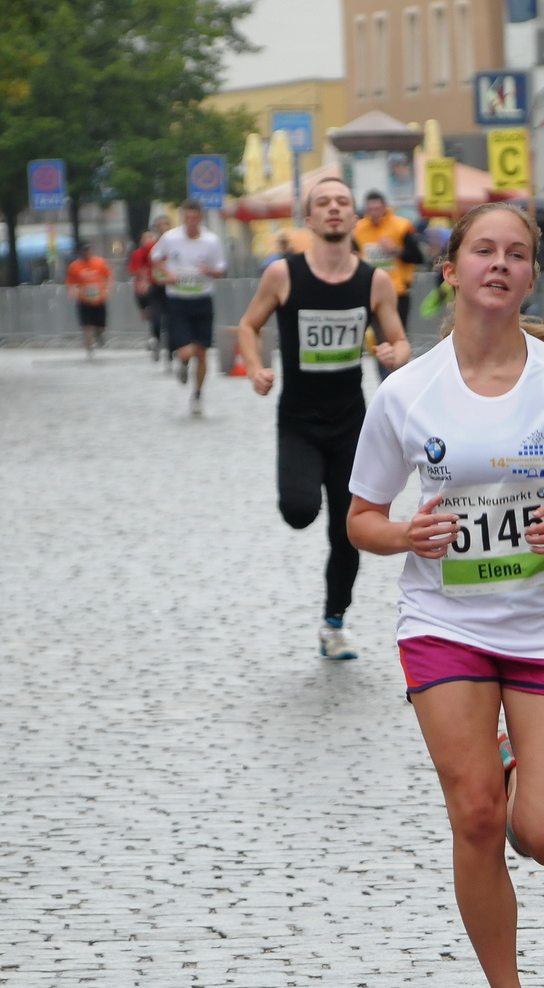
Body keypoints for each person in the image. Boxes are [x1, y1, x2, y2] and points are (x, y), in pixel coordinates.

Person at [344, 201, 544, 988]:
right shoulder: (408, 392)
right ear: (451, 268)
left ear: (530, 275)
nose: (500, 264)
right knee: (474, 813)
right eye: (483, 249)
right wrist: (406, 533)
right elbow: (361, 517)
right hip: (444, 620)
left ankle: (518, 769)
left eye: (517, 253)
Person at [236, 177, 411, 660]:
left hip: (352, 423)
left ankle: (334, 623)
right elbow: (249, 326)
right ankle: (304, 504)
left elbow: (398, 340)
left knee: (348, 530)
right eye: (323, 203)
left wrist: (396, 352)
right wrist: (256, 368)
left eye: (342, 202)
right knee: (298, 512)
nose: (334, 209)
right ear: (309, 219)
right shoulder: (283, 275)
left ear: (354, 217)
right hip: (298, 420)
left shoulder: (373, 281)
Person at [151, 199, 227, 414]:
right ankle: (183, 363)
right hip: (178, 301)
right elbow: (155, 257)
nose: (191, 222)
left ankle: (197, 395)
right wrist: (168, 274)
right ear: (182, 217)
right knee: (186, 352)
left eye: (195, 218)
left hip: (202, 300)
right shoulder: (171, 238)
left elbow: (221, 269)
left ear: (200, 218)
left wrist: (209, 271)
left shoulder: (211, 241)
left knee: (202, 354)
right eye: (187, 218)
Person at [352, 190, 423, 330]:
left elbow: (418, 257)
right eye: (370, 209)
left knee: (397, 333)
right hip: (369, 290)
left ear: (385, 207)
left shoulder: (401, 226)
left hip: (398, 291)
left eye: (377, 209)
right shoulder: (358, 229)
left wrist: (395, 250)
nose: (374, 213)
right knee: (375, 336)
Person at [65, 242, 113, 356]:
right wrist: (73, 290)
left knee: (101, 325)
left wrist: (108, 289)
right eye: (84, 251)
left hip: (99, 299)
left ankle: (99, 334)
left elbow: (109, 276)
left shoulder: (100, 262)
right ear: (80, 252)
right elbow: (70, 282)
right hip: (84, 299)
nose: (86, 253)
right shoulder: (75, 266)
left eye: (88, 251)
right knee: (86, 324)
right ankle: (89, 345)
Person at [128, 224, 162, 361]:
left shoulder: (159, 251)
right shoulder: (139, 253)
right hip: (143, 289)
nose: (149, 239)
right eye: (146, 237)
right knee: (151, 315)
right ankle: (154, 338)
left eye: (151, 236)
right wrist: (143, 276)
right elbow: (134, 269)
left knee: (159, 315)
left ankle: (157, 339)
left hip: (158, 288)